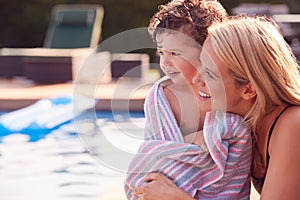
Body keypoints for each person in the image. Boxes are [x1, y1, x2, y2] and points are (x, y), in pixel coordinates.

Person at [133, 15, 300, 200]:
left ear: (249, 89)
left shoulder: (293, 125)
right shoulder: (242, 127)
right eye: (201, 65)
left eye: (210, 74)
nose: (196, 80)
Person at [124, 0, 253, 199]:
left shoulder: (226, 95)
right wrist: (192, 142)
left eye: (175, 53)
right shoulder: (160, 97)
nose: (165, 63)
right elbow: (153, 154)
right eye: (161, 52)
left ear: (207, 51)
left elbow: (237, 145)